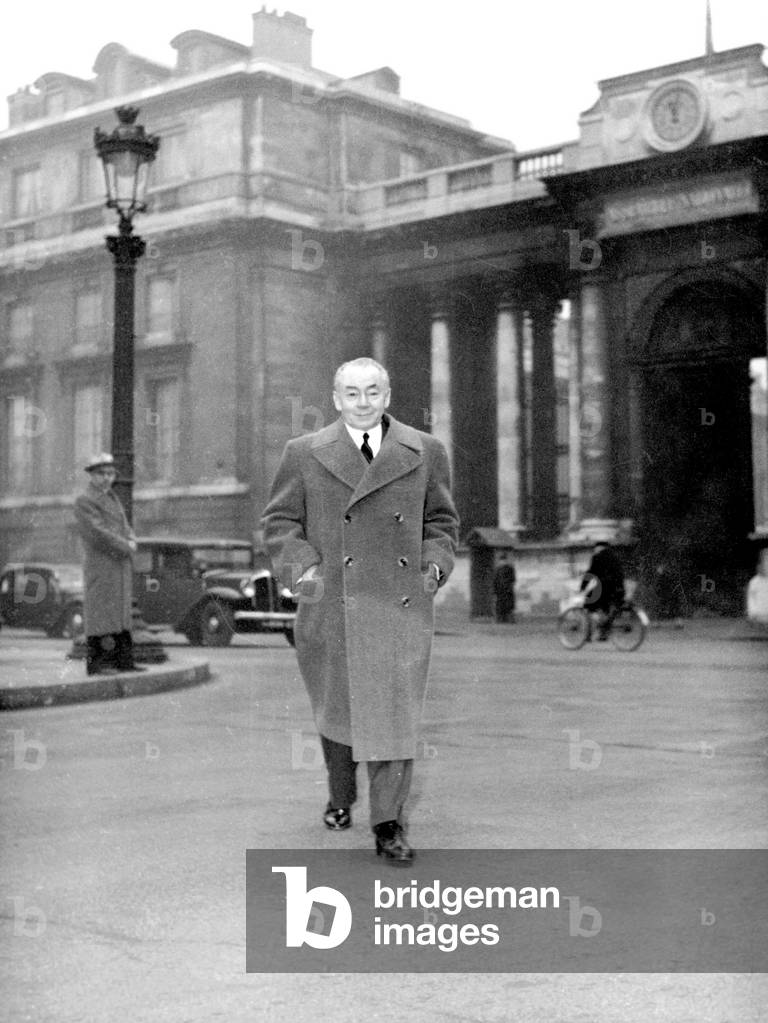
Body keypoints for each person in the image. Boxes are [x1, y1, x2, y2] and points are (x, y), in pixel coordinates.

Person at [261, 357, 459, 863]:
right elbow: (280, 522)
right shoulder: (303, 453)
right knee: (339, 712)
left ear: (387, 396)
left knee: (394, 718)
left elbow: (441, 522)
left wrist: (432, 568)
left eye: (373, 392)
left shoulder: (425, 450)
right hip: (332, 605)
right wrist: (305, 571)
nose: (363, 402)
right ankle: (341, 793)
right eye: (352, 393)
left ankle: (389, 823)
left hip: (399, 605)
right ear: (336, 399)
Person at [74, 453, 141, 675]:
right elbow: (97, 533)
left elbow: (124, 525)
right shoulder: (85, 500)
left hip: (117, 566)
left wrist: (131, 538)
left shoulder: (112, 497)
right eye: (101, 473)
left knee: (119, 615)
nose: (107, 478)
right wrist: (126, 545)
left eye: (110, 473)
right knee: (102, 616)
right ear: (92, 475)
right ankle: (99, 664)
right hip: (102, 566)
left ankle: (123, 661)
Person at [580, 540, 625, 640]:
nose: (594, 550)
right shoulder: (616, 557)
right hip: (618, 589)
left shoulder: (597, 557)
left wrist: (583, 587)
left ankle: (589, 634)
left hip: (603, 589)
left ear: (599, 548)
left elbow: (590, 573)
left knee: (589, 607)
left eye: (595, 548)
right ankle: (604, 633)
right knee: (605, 609)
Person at [493, 552, 516, 623]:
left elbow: (495, 581)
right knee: (507, 606)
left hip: (501, 591)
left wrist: (495, 591)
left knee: (502, 606)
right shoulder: (510, 569)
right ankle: (507, 619)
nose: (503, 562)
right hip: (506, 591)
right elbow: (513, 579)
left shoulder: (498, 570)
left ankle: (502, 619)